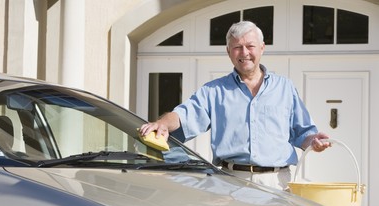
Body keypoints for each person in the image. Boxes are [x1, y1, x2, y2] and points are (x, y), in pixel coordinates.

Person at [140, 21, 330, 191]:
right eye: (237, 47)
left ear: (262, 48)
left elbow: (303, 133)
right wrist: (163, 123)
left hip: (277, 182)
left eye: (250, 46)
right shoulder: (214, 91)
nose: (244, 53)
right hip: (231, 182)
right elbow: (184, 115)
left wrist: (313, 141)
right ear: (228, 51)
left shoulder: (285, 87)